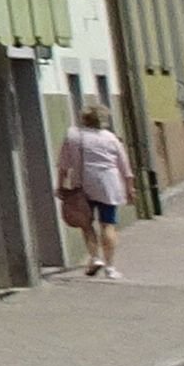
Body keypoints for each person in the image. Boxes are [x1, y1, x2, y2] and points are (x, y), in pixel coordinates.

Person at [58, 98, 133, 275]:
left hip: (83, 185)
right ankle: (110, 267)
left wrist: (59, 185)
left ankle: (94, 257)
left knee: (86, 223)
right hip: (109, 185)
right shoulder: (111, 138)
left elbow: (63, 165)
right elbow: (125, 166)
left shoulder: (73, 136)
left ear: (84, 118)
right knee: (108, 224)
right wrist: (130, 188)